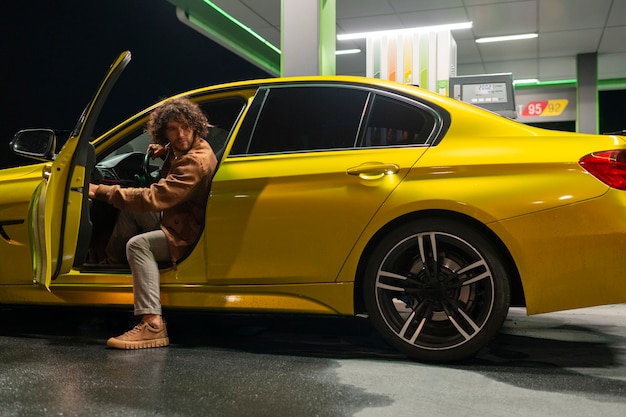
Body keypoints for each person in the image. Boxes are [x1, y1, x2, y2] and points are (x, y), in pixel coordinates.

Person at [89, 97, 218, 349]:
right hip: (176, 217)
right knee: (129, 213)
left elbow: (154, 197)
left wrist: (101, 191)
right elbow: (177, 152)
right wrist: (165, 150)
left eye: (184, 127)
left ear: (195, 126)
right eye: (172, 128)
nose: (180, 134)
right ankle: (111, 265)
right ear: (163, 131)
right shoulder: (184, 148)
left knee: (138, 245)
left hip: (184, 231)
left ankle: (153, 324)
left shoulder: (195, 161)